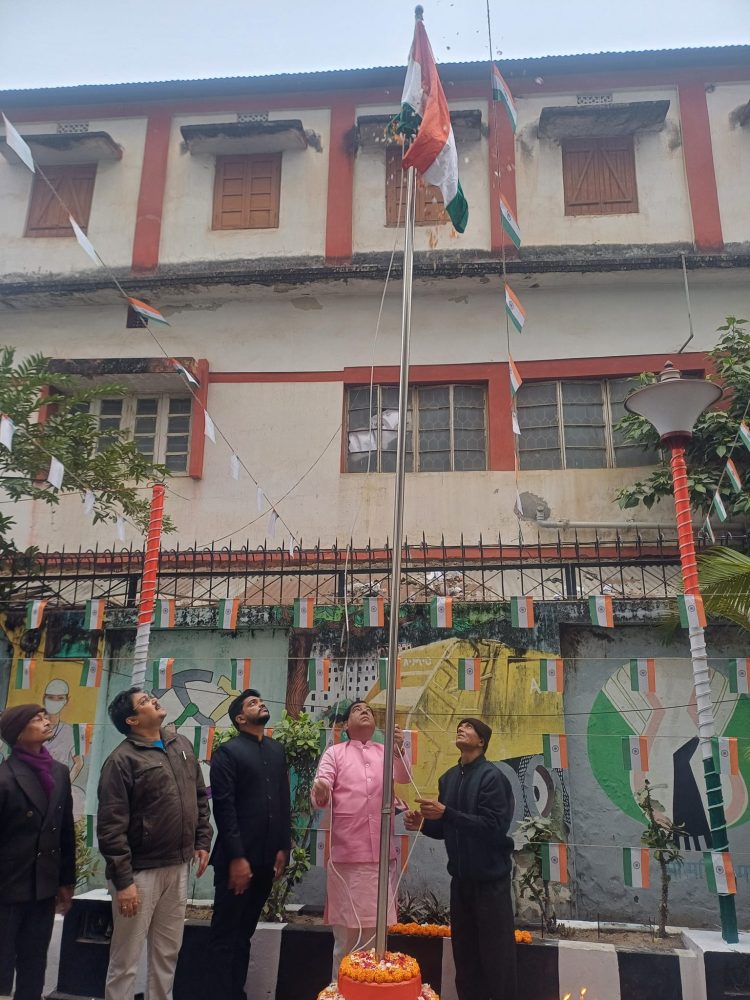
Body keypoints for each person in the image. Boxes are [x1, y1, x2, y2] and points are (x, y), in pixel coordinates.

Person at [97, 688, 212, 1000]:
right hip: (138, 875)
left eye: (150, 696)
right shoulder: (121, 761)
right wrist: (124, 882)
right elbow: (110, 827)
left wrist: (202, 839)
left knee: (166, 954)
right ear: (133, 720)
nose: (154, 700)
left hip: (178, 866)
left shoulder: (181, 745)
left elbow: (200, 796)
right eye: (144, 702)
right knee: (125, 960)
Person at [405, 718, 516, 1000]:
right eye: (459, 726)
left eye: (468, 727)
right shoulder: (448, 779)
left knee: (496, 957)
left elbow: (493, 827)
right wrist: (422, 824)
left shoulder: (493, 778)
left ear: (481, 741)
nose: (461, 728)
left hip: (491, 883)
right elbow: (446, 829)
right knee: (464, 957)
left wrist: (447, 813)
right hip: (461, 883)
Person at [312, 700, 410, 979]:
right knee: (346, 939)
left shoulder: (384, 751)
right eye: (357, 709)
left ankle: (372, 989)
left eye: (368, 709)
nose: (364, 711)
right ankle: (342, 990)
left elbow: (404, 777)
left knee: (377, 938)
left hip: (381, 857)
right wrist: (320, 791)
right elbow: (322, 787)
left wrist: (399, 750)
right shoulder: (335, 753)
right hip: (347, 859)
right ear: (345, 726)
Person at [208, 689, 291, 1000]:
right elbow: (225, 809)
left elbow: (283, 801)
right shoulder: (228, 753)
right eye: (253, 702)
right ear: (240, 718)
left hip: (266, 861)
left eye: (261, 699)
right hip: (235, 864)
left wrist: (283, 848)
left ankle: (236, 993)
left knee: (244, 935)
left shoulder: (276, 751)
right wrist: (237, 858)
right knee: (224, 937)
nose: (262, 703)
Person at [0, 703, 75, 1000]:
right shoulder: (4, 779)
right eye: (36, 719)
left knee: (34, 964)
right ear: (18, 734)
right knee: (2, 965)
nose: (46, 721)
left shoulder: (59, 772)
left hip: (43, 888)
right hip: (7, 889)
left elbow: (65, 830)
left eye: (45, 717)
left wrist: (65, 881)